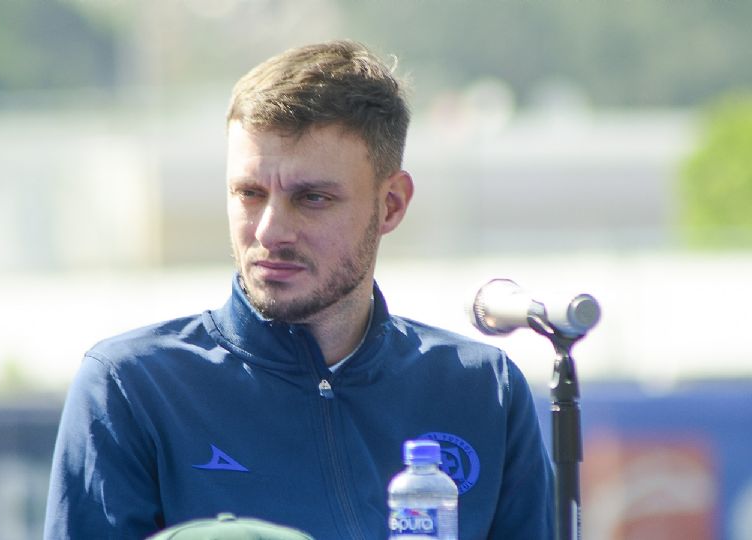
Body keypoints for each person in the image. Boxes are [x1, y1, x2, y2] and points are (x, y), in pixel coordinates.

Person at [44, 40, 554, 540]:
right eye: (249, 193)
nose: (269, 231)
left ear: (392, 204)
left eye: (311, 198)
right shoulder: (131, 385)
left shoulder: (484, 388)